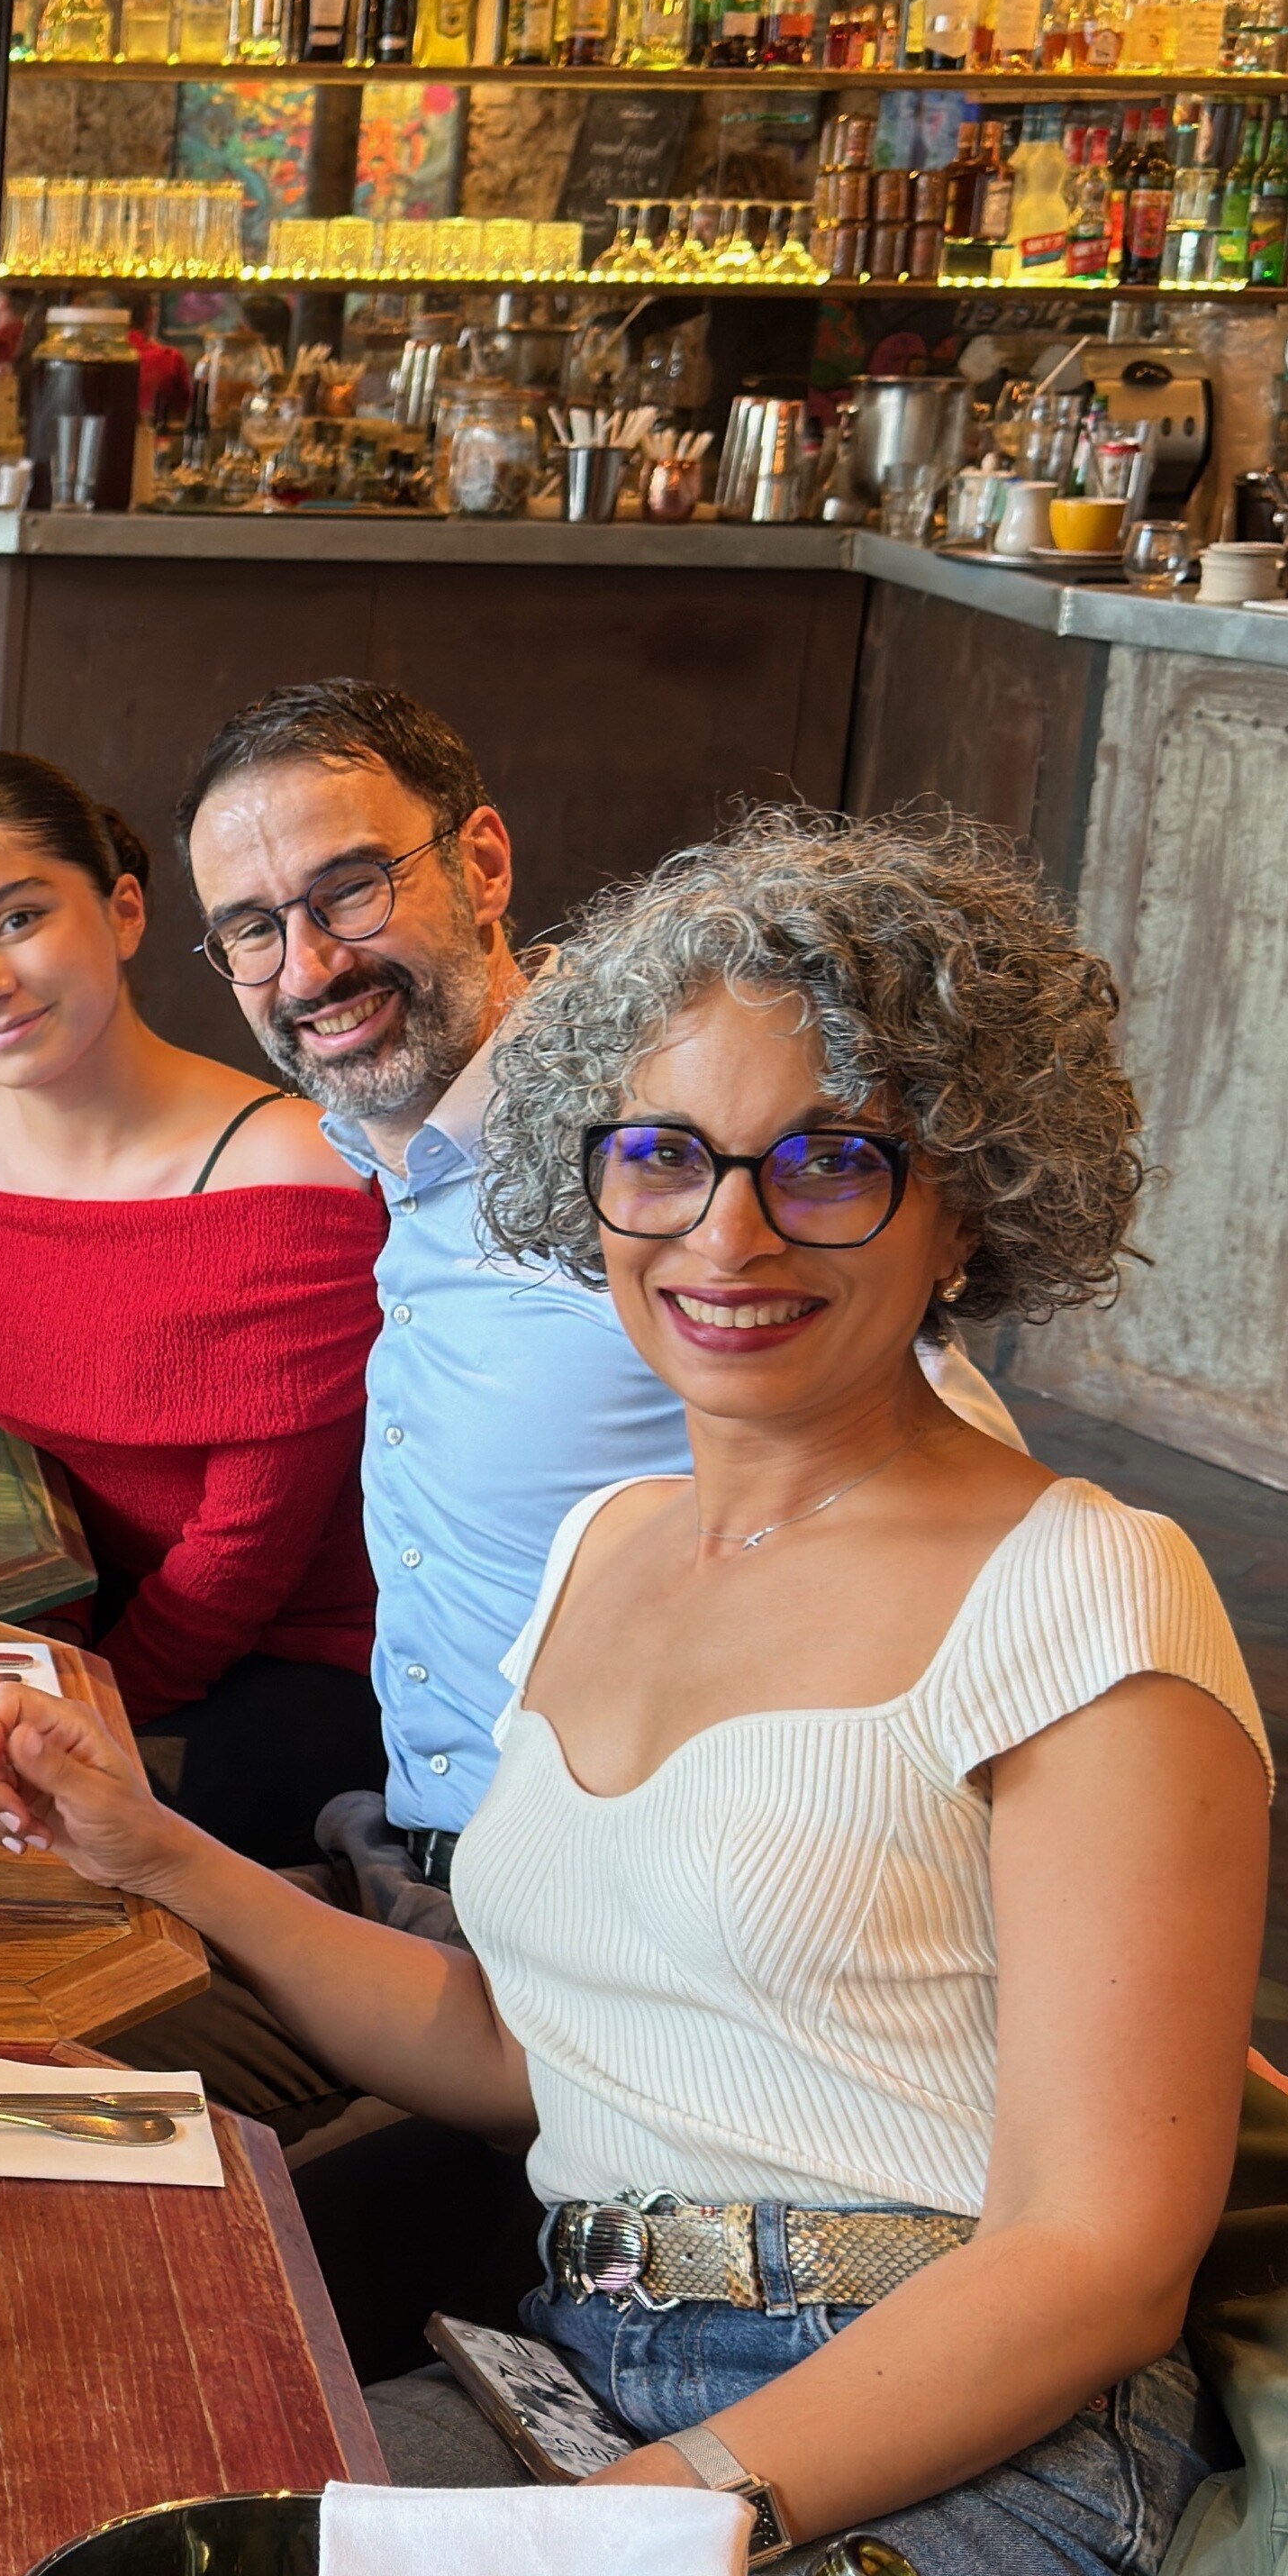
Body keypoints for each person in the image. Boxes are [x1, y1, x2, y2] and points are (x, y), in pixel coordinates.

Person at [0, 808, 1274, 2576]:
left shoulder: (1086, 1593)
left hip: (955, 2490)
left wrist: (680, 2504)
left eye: (826, 1159)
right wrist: (162, 1862)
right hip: (574, 2384)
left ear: (968, 1189)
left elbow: (1095, 2254)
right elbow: (519, 2049)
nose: (724, 1231)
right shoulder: (603, 1551)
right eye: (656, 1157)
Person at [179, 677, 1016, 2301]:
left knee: (146, 2230)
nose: (312, 965)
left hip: (644, 1976)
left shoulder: (654, 1146)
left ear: (483, 862)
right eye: (254, 930)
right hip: (437, 1887)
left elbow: (959, 1495)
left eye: (354, 886)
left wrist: (1068, 1936)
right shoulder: (400, 1144)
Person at [0, 753, 380, 1861]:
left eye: (17, 918)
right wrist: (41, 1655)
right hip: (75, 1636)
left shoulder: (293, 1174)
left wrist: (90, 1698)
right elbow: (20, 1460)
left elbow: (247, 1555)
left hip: (287, 1667)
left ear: (123, 908)